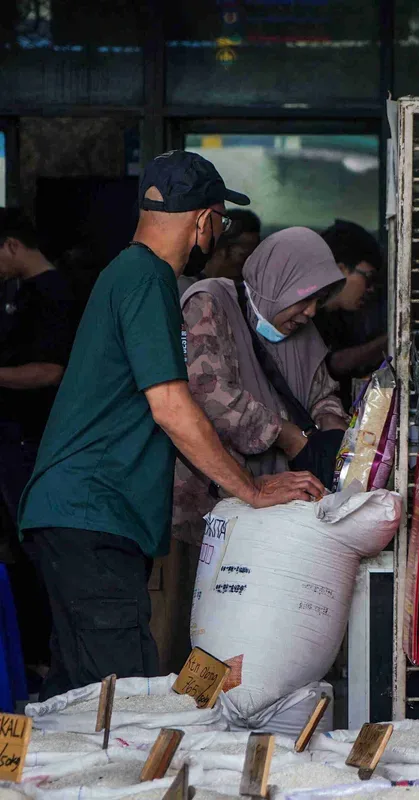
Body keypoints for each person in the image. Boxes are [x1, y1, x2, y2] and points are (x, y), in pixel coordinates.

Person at [19, 151, 324, 697]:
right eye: (220, 222)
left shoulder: (130, 273)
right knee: (122, 698)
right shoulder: (148, 278)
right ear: (206, 220)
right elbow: (172, 406)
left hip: (84, 517)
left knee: (77, 696)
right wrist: (251, 489)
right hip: (91, 515)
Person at [173, 226, 349, 545]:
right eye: (305, 298)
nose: (310, 313)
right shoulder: (209, 302)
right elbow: (208, 393)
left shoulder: (305, 331)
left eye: (318, 302)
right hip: (212, 507)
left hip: (283, 507)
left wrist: (334, 435)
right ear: (278, 281)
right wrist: (288, 436)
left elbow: (323, 394)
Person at [0, 209, 70, 704]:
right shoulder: (20, 294)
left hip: (34, 441)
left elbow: (50, 371)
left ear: (10, 245)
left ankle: (48, 661)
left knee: (36, 552)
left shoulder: (55, 295)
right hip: (14, 440)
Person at [315, 220, 388, 407]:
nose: (370, 289)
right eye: (368, 278)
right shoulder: (306, 317)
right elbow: (334, 364)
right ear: (340, 270)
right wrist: (392, 340)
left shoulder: (342, 319)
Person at [176, 208, 261, 294]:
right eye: (243, 256)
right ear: (220, 251)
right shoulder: (186, 288)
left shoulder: (245, 291)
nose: (248, 266)